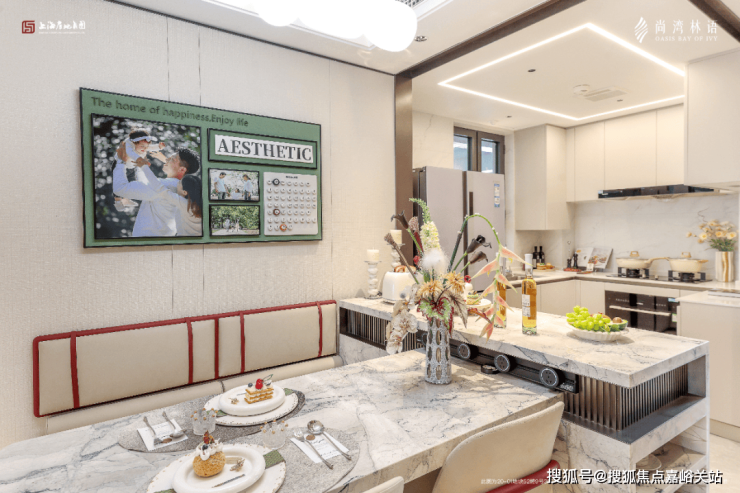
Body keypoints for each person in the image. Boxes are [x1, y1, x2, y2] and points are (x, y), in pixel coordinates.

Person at [113, 140, 200, 237]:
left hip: (146, 243)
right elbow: (145, 185)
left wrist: (120, 161)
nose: (167, 159)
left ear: (182, 169)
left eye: (172, 159)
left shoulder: (165, 186)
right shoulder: (178, 188)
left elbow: (120, 189)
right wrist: (141, 164)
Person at [135, 164, 202, 236]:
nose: (177, 183)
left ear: (184, 192)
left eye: (179, 183)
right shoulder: (196, 206)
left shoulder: (182, 202)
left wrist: (143, 166)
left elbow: (159, 188)